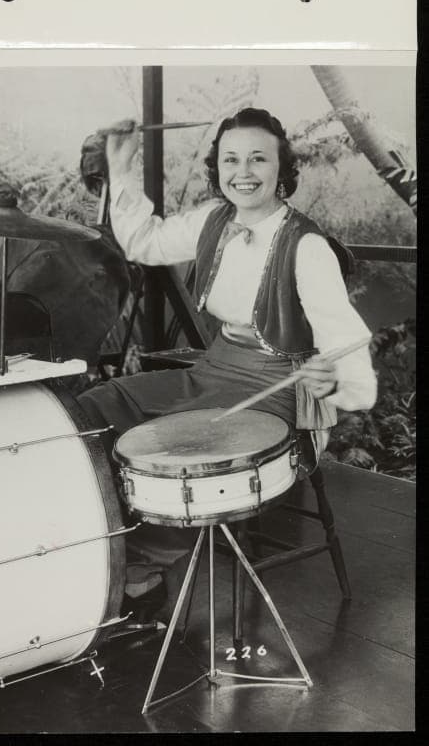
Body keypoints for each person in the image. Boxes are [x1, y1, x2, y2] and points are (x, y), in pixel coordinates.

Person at [79, 107, 377, 621]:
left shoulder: (307, 247)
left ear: (282, 169)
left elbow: (346, 345)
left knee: (191, 454)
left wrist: (335, 383)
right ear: (217, 168)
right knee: (95, 408)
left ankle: (140, 569)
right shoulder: (212, 220)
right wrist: (121, 167)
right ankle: (106, 544)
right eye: (231, 159)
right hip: (214, 370)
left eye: (258, 158)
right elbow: (144, 241)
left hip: (280, 388)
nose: (244, 172)